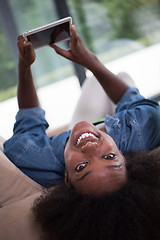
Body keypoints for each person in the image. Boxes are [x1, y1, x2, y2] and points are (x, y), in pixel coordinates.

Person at [3, 25, 160, 196]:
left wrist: (24, 67)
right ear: (126, 159)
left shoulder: (34, 159)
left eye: (81, 167)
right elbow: (129, 97)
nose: (91, 147)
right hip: (115, 129)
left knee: (94, 82)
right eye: (109, 157)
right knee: (122, 77)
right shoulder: (142, 129)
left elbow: (29, 120)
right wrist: (88, 60)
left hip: (74, 134)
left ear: (67, 178)